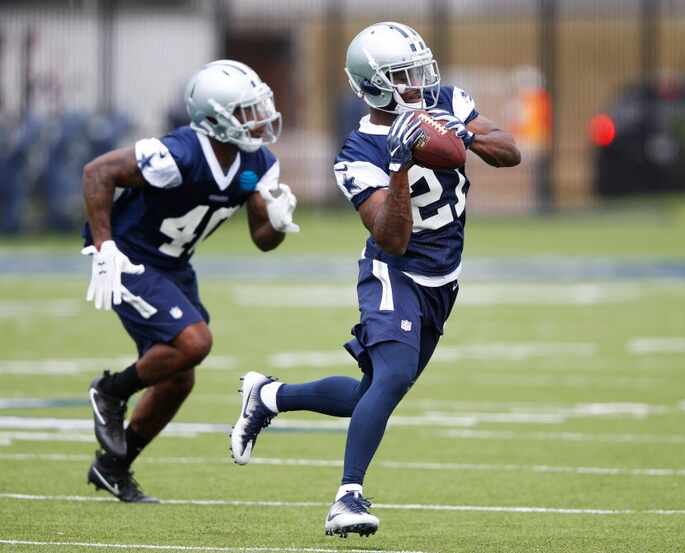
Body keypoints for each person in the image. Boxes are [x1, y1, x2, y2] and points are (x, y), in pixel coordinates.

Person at [230, 21, 520, 537]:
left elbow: (508, 150)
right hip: (395, 272)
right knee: (390, 377)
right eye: (405, 75)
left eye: (418, 70)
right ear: (375, 84)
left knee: (377, 389)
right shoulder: (355, 156)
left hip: (443, 277)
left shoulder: (446, 100)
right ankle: (347, 497)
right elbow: (392, 238)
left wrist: (463, 134)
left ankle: (270, 397)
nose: (419, 82)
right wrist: (401, 165)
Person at [83, 59, 299, 503]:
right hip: (130, 258)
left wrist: (276, 220)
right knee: (195, 343)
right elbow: (97, 173)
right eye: (246, 111)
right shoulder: (177, 153)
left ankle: (112, 467)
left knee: (180, 376)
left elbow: (262, 241)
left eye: (259, 107)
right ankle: (110, 392)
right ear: (215, 117)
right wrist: (104, 247)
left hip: (174, 265)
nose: (258, 119)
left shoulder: (256, 163)